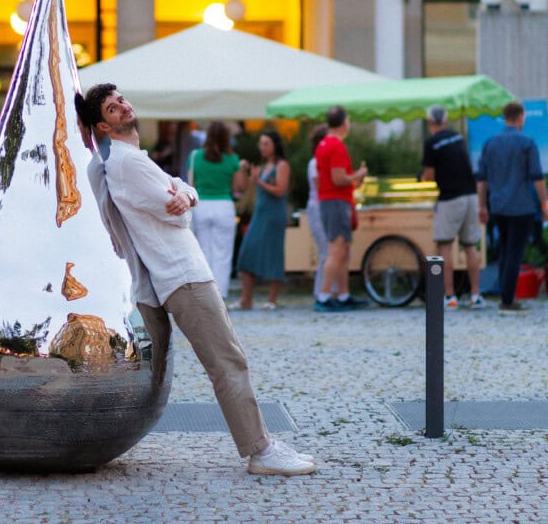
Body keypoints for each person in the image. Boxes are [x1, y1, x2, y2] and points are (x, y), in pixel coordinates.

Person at [76, 83, 315, 477]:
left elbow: (183, 188)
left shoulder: (133, 158)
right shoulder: (127, 163)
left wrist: (186, 194)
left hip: (182, 272)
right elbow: (178, 215)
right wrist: (185, 200)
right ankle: (261, 451)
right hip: (181, 274)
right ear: (102, 126)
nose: (122, 105)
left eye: (120, 99)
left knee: (225, 360)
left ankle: (261, 444)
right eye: (111, 107)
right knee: (227, 362)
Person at [476, 101, 547, 313]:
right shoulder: (527, 143)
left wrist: (482, 205)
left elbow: (482, 180)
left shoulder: (490, 143)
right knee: (515, 252)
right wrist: (544, 203)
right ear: (520, 117)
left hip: (497, 205)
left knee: (505, 250)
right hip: (521, 206)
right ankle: (507, 300)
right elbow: (537, 178)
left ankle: (505, 295)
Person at [421, 104, 484, 309]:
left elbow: (429, 176)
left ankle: (449, 296)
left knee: (444, 246)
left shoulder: (431, 143)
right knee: (470, 246)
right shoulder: (458, 138)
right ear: (446, 121)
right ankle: (475, 295)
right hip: (470, 196)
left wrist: (420, 178)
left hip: (450, 198)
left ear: (430, 122)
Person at [314, 105, 369, 313]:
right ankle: (325, 296)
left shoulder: (323, 144)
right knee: (336, 249)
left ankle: (343, 294)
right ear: (345, 122)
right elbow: (338, 179)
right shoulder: (336, 146)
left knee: (343, 249)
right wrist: (360, 172)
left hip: (332, 200)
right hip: (336, 201)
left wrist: (354, 178)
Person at [187, 120, 248, 299]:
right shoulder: (233, 159)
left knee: (203, 250)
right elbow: (239, 188)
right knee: (223, 253)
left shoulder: (195, 156)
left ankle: (204, 292)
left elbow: (191, 183)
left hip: (201, 205)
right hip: (224, 206)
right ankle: (219, 293)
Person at [230, 130, 289, 311]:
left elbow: (280, 190)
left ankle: (272, 299)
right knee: (246, 252)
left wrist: (259, 181)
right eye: (261, 143)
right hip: (259, 214)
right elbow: (244, 187)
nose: (262, 147)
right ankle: (246, 299)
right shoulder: (263, 167)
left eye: (266, 143)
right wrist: (245, 171)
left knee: (273, 253)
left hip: (274, 215)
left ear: (274, 145)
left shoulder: (282, 165)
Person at [305, 124, 332, 300]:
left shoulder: (318, 161)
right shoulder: (316, 162)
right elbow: (319, 186)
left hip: (322, 207)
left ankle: (325, 290)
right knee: (326, 251)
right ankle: (323, 291)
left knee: (328, 251)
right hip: (318, 208)